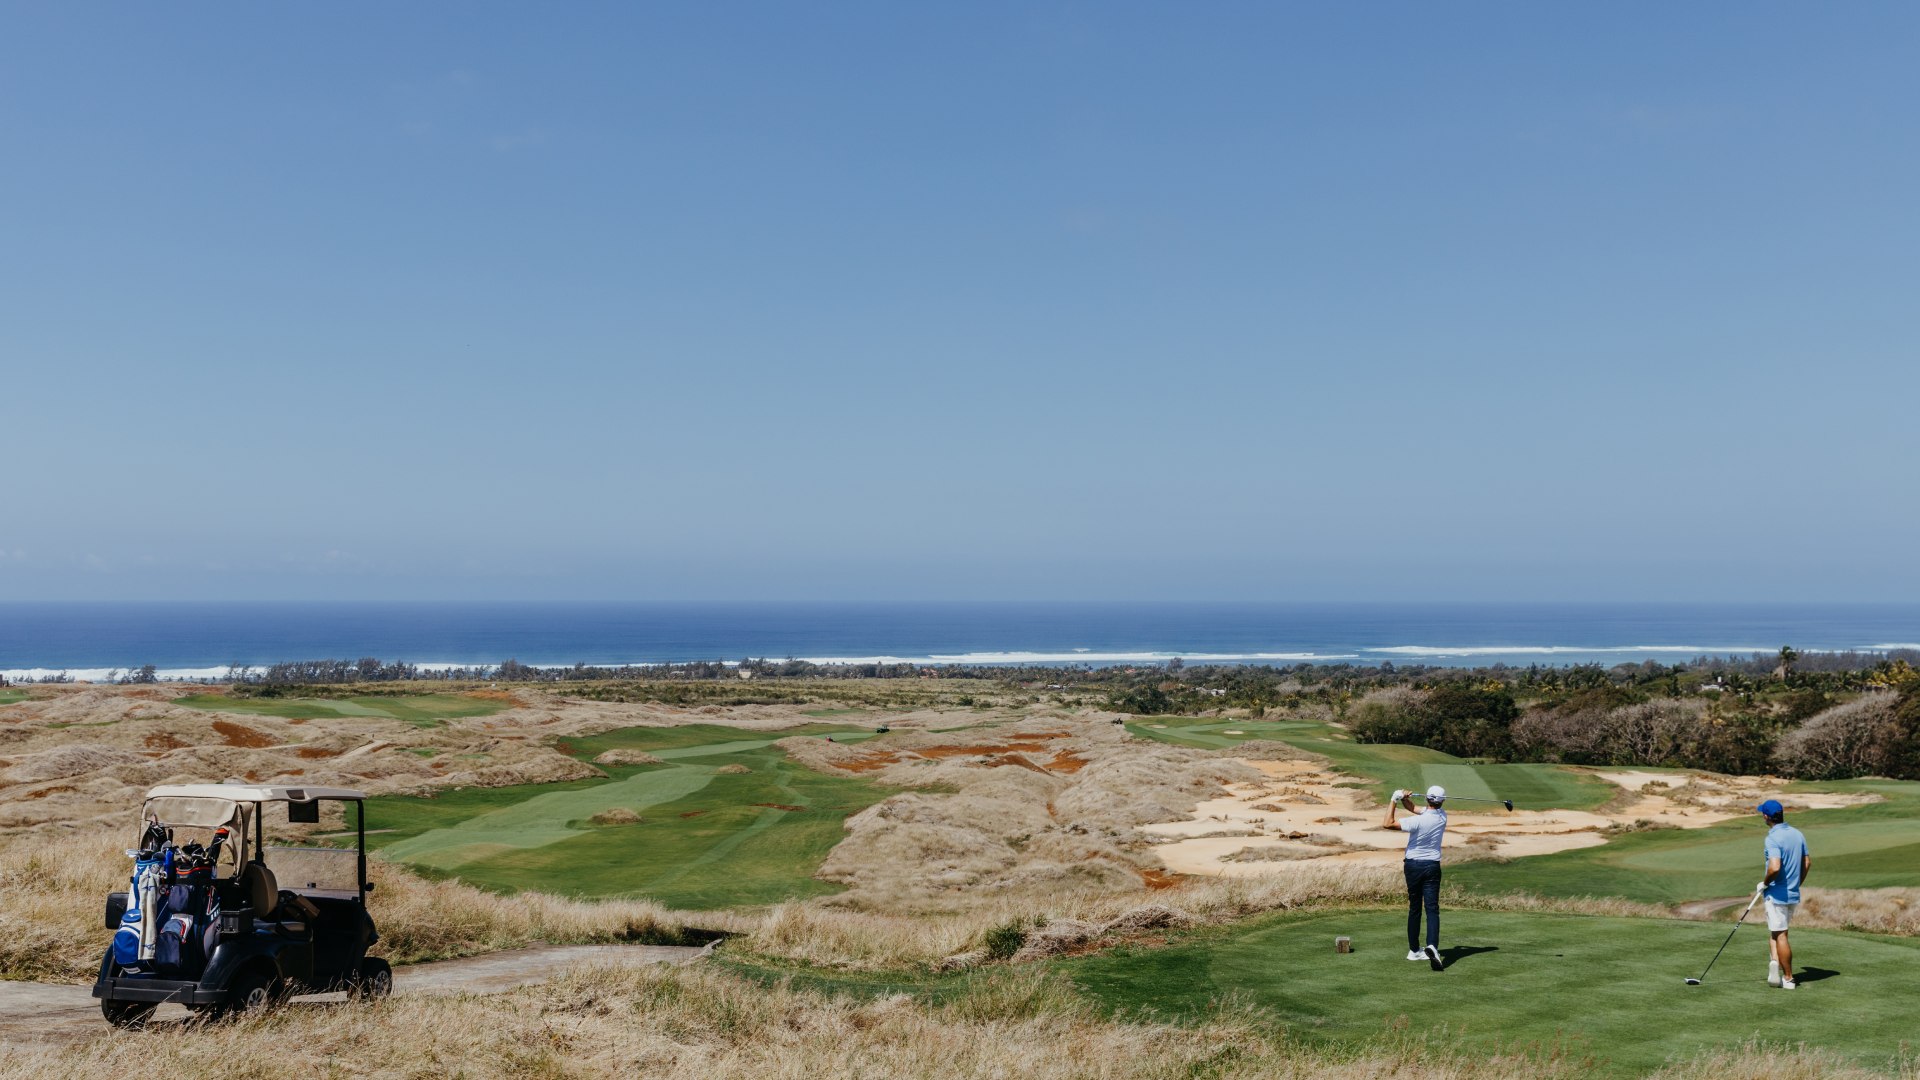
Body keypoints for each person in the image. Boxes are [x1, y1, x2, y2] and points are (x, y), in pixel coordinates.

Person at [1385, 784, 1448, 971]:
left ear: (1427, 799)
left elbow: (1387, 823)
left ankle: (1414, 950)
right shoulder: (1443, 816)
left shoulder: (1417, 822)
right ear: (1441, 801)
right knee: (1432, 909)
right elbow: (1414, 808)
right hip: (1432, 866)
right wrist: (1405, 799)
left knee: (1414, 908)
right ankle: (1431, 946)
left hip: (1412, 865)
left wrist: (1394, 799)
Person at [1756, 798, 1811, 990]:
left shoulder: (1772, 838)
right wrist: (1797, 884)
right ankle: (1774, 964)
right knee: (1777, 930)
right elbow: (1807, 863)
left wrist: (1764, 883)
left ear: (1766, 816)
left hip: (1776, 894)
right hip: (1792, 894)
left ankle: (1788, 978)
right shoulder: (1798, 834)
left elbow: (1774, 866)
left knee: (1781, 935)